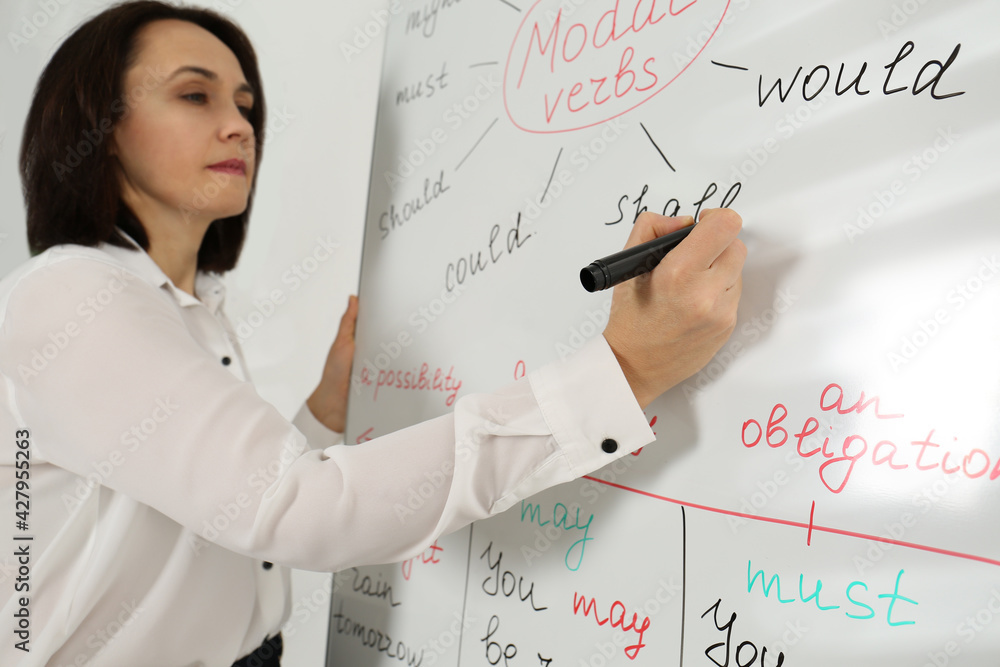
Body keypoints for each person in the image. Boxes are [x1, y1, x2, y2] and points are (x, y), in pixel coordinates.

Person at [0, 1, 746, 665]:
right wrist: (622, 372)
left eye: (246, 103)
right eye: (194, 95)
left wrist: (323, 412)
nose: (238, 124)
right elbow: (295, 510)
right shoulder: (75, 299)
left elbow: (208, 505)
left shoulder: (185, 306)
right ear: (96, 125)